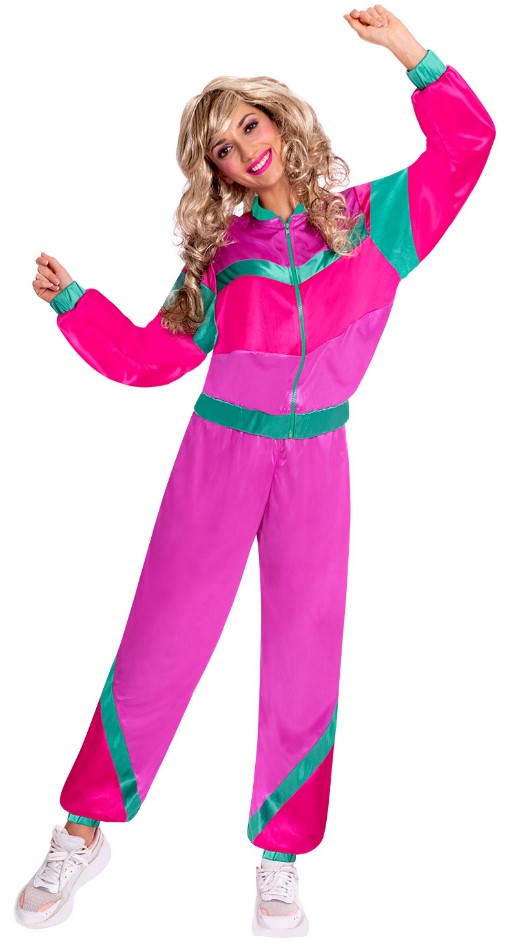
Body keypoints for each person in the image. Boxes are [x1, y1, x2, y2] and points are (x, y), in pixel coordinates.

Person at [15, 5, 495, 936]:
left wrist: (408, 53)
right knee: (161, 636)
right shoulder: (222, 258)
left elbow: (468, 144)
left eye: (249, 123)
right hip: (219, 450)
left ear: (280, 120)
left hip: (318, 456)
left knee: (306, 651)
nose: (244, 148)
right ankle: (82, 829)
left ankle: (282, 856)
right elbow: (150, 358)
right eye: (224, 147)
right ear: (218, 172)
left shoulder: (374, 222)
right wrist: (74, 303)